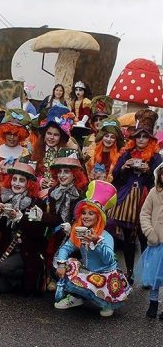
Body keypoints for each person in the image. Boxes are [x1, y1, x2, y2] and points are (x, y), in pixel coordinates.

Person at [54, 180, 132, 317]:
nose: (86, 217)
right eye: (84, 213)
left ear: (98, 217)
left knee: (104, 306)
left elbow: (108, 260)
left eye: (91, 213)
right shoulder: (79, 231)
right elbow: (65, 248)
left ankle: (104, 302)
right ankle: (76, 298)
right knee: (68, 264)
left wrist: (97, 242)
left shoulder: (106, 236)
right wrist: (61, 264)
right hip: (88, 271)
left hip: (105, 275)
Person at [106, 109, 162, 284]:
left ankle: (147, 273)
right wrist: (124, 168)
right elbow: (115, 175)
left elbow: (159, 182)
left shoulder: (156, 158)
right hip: (126, 199)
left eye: (145, 137)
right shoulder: (127, 154)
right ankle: (129, 271)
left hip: (147, 199)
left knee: (145, 236)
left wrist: (149, 173)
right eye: (138, 136)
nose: (141, 140)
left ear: (150, 139)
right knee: (128, 236)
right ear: (134, 138)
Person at [0, 160, 45, 294]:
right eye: (14, 179)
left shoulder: (36, 203)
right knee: (0, 288)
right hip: (9, 249)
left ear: (29, 184)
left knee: (5, 268)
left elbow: (37, 232)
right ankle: (19, 281)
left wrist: (20, 218)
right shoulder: (6, 198)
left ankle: (30, 277)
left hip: (27, 251)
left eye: (21, 180)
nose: (16, 183)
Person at [45, 148, 88, 290]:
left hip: (75, 236)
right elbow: (52, 217)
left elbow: (85, 219)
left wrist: (72, 227)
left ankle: (73, 284)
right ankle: (52, 276)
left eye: (66, 171)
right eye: (60, 172)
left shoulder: (81, 194)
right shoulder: (52, 192)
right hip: (56, 233)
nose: (62, 175)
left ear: (75, 174)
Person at [0, 109, 30, 214]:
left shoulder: (25, 153)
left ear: (21, 135)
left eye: (15, 134)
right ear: (4, 132)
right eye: (8, 133)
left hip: (17, 196)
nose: (11, 137)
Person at [135, 162, 163, 319]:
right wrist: (150, 232)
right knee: (154, 276)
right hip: (156, 242)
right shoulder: (154, 192)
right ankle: (153, 303)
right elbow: (144, 214)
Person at [31, 105, 76, 197]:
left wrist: (59, 181)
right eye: (49, 133)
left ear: (61, 137)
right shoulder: (36, 150)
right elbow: (30, 173)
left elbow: (74, 178)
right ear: (44, 134)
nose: (51, 137)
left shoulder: (67, 153)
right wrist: (40, 181)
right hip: (38, 195)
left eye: (56, 135)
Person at [84, 117, 125, 182]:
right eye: (106, 136)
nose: (108, 139)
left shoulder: (120, 156)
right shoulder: (91, 152)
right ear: (102, 137)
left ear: (115, 140)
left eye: (112, 137)